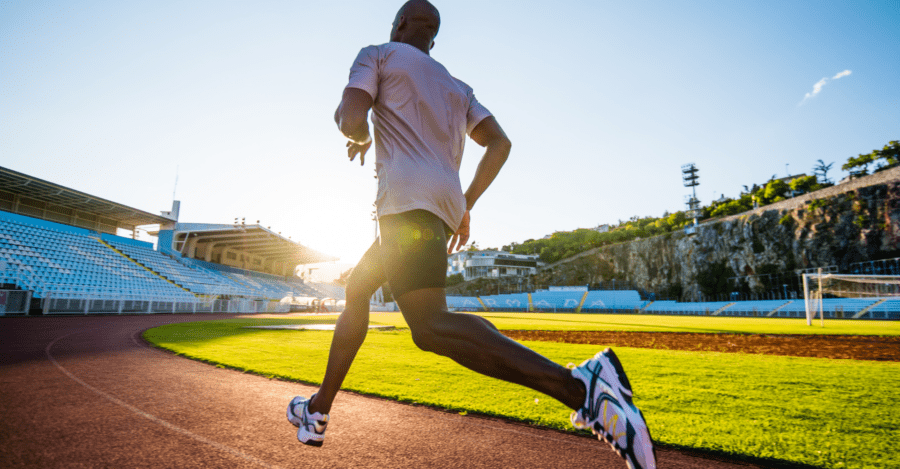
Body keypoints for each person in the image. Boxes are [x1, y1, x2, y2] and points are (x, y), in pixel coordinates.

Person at [287, 2, 656, 467]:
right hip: (439, 207)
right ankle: (318, 410)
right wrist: (466, 204)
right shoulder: (458, 88)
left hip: (405, 203)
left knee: (430, 326)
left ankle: (581, 388)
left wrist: (359, 138)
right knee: (358, 288)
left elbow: (350, 119)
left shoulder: (377, 54)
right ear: (433, 38)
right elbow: (500, 143)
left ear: (399, 25)